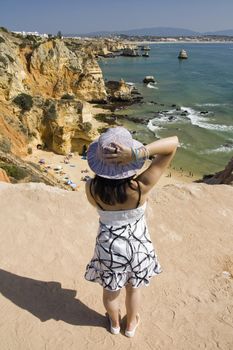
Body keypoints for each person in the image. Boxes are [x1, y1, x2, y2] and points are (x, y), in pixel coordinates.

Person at [84, 127, 179, 337]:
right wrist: (136, 153)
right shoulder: (140, 188)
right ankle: (131, 325)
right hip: (137, 247)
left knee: (110, 292)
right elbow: (172, 144)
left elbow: (98, 207)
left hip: (108, 248)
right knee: (133, 289)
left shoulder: (91, 188)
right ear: (128, 163)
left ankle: (115, 323)